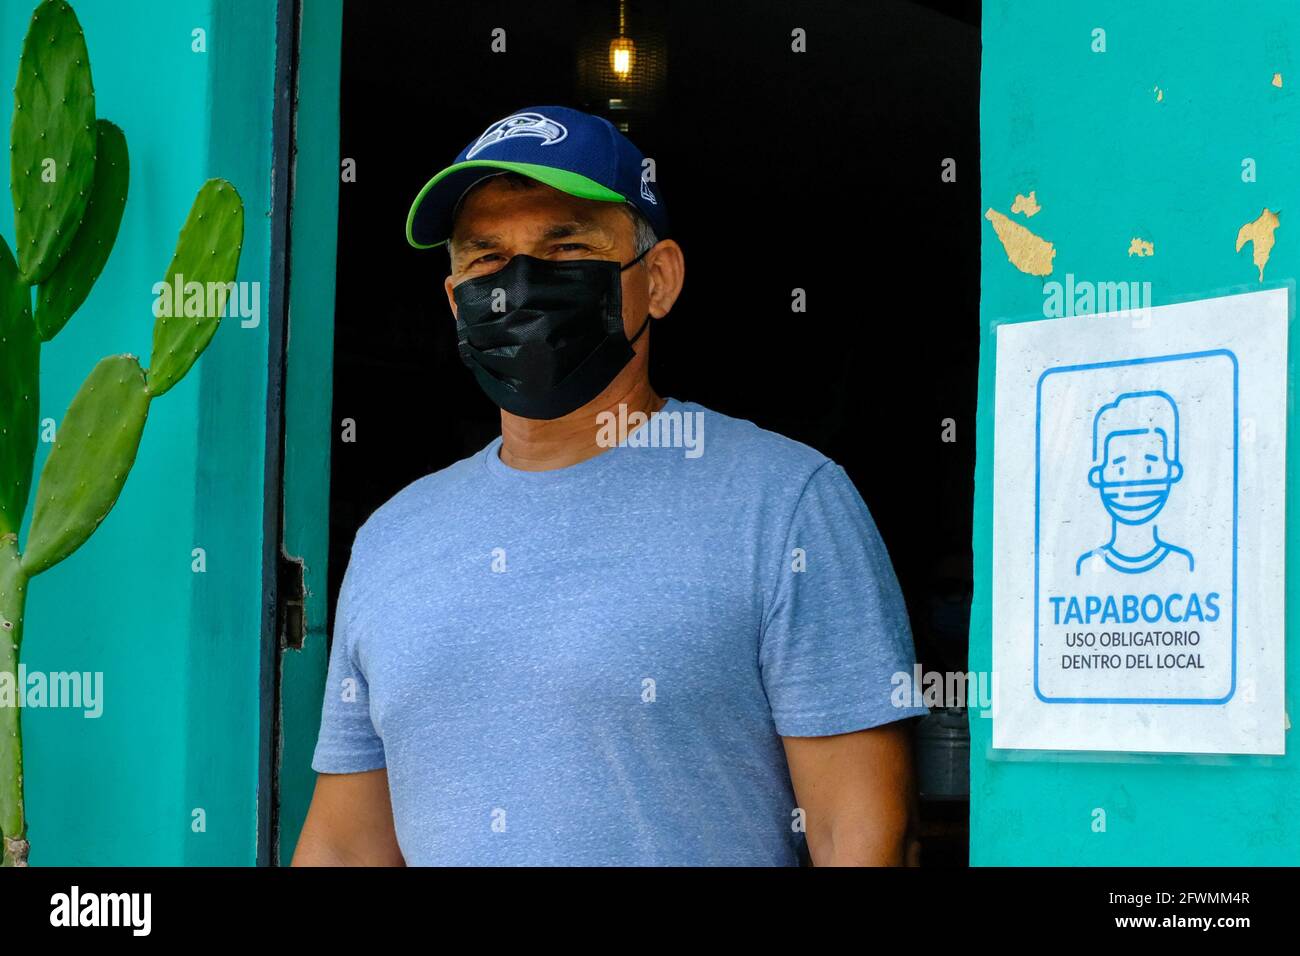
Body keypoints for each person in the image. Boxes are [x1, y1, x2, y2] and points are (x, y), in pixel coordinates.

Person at [293, 106, 927, 866]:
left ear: (657, 280)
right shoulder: (393, 538)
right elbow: (346, 844)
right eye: (486, 260)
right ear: (454, 296)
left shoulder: (786, 506)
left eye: (565, 247)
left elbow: (861, 836)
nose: (520, 285)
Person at [1076, 390, 1193, 576]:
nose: (1134, 486)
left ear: (1173, 471)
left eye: (1149, 468)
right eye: (1119, 469)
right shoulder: (1087, 567)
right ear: (1098, 476)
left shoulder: (1182, 564)